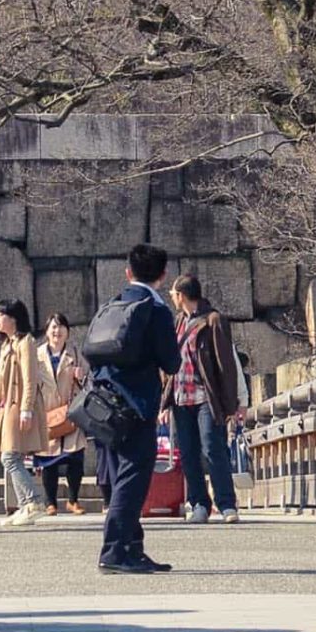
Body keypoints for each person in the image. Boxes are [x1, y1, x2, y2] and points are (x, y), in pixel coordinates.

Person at [90, 242, 180, 576]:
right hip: (136, 402)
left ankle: (132, 548)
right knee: (134, 476)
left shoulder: (114, 303)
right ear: (163, 274)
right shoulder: (155, 310)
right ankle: (114, 549)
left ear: (128, 273)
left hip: (103, 402)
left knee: (120, 475)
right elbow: (171, 361)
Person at [165, 275, 244, 524]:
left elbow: (226, 364)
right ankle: (199, 503)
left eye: (174, 293)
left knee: (212, 448)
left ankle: (226, 503)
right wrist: (164, 402)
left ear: (182, 295)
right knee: (188, 453)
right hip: (180, 397)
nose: (171, 297)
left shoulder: (213, 321)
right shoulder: (178, 322)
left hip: (205, 397)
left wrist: (236, 402)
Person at [0, 301, 52, 524]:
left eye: (1, 315)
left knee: (10, 456)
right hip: (6, 408)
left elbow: (30, 378)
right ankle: (25, 505)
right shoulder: (7, 344)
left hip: (18, 407)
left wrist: (27, 409)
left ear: (14, 318)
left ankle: (32, 501)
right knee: (11, 457)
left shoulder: (26, 342)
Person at [35, 313, 92, 515]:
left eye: (60, 327)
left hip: (71, 413)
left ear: (67, 331)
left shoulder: (75, 354)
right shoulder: (37, 355)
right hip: (48, 413)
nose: (56, 331)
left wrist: (81, 376)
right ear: (46, 331)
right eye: (52, 327)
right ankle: (50, 502)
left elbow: (89, 384)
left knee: (75, 458)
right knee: (48, 460)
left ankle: (73, 500)